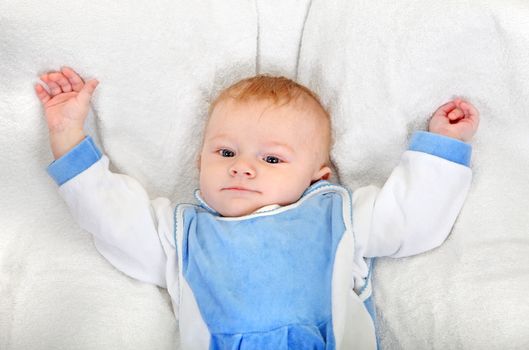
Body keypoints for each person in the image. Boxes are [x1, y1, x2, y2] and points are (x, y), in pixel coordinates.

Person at [35, 66, 479, 350]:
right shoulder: (182, 234)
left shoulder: (336, 216)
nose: (243, 168)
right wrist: (68, 134)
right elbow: (110, 217)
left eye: (271, 159)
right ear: (199, 163)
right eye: (225, 153)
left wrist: (441, 147)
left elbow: (412, 218)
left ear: (317, 176)